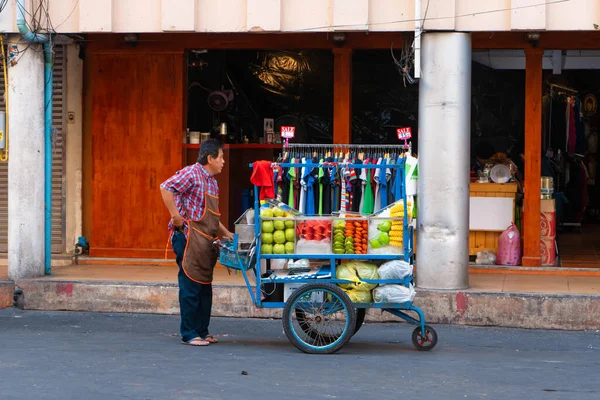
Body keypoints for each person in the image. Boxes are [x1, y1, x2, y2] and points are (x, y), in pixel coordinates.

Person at [160, 139, 234, 347]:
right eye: (220, 157)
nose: (223, 161)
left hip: (205, 241)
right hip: (188, 237)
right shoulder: (192, 173)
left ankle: (202, 330)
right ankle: (190, 333)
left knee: (204, 286)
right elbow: (165, 187)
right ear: (210, 158)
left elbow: (212, 217)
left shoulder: (212, 182)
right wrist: (175, 216)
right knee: (190, 284)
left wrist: (228, 234)